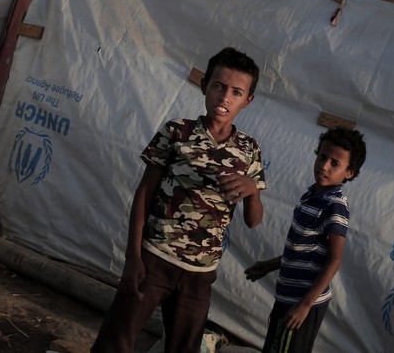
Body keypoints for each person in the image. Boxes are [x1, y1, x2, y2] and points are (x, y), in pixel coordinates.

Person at [91, 47, 266, 353]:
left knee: (184, 348)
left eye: (236, 92)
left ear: (248, 100)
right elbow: (144, 192)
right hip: (155, 259)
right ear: (205, 86)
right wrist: (134, 257)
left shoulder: (249, 151)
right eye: (218, 86)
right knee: (115, 341)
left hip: (200, 274)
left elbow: (253, 220)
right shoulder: (177, 132)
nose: (225, 97)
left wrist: (252, 190)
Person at [245, 127, 367, 353]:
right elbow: (302, 251)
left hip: (303, 303)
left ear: (349, 172)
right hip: (287, 297)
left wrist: (305, 305)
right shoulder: (309, 197)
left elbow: (334, 259)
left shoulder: (335, 204)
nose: (324, 166)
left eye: (335, 164)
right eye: (322, 157)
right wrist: (269, 265)